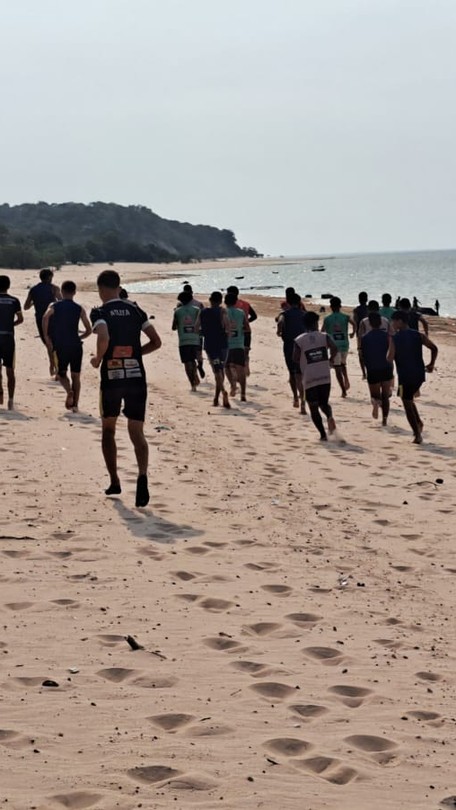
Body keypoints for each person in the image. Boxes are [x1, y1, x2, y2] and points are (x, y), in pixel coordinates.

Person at [90, 270, 161, 506]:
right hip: (136, 377)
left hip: (111, 379)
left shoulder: (100, 311)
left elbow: (104, 337)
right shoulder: (135, 310)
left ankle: (115, 481)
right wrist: (136, 353)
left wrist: (98, 358)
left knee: (108, 429)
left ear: (101, 289)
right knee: (136, 432)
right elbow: (156, 341)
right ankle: (142, 476)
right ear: (119, 287)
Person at [387, 310, 438, 444]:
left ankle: (417, 434)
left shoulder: (395, 338)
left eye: (393, 321)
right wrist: (431, 364)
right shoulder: (418, 335)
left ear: (400, 321)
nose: (392, 323)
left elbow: (389, 358)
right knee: (408, 399)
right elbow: (434, 348)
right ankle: (419, 423)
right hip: (419, 375)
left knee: (406, 403)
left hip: (405, 376)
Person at [42, 281, 92, 412]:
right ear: (74, 292)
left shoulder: (54, 305)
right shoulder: (79, 308)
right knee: (76, 376)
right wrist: (80, 337)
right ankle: (75, 406)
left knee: (61, 373)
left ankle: (69, 391)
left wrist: (46, 336)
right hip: (76, 345)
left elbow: (45, 317)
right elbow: (89, 329)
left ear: (62, 292)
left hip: (61, 345)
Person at [293, 311, 338, 441]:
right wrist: (330, 359)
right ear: (316, 323)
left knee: (313, 407)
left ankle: (323, 435)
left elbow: (295, 358)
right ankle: (329, 417)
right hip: (324, 375)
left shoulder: (299, 340)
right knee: (324, 403)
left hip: (309, 377)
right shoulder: (324, 336)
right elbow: (334, 348)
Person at [23, 268, 62, 375]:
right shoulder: (54, 288)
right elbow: (62, 303)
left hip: (40, 319)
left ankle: (52, 364)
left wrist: (34, 303)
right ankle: (57, 366)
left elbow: (25, 307)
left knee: (48, 343)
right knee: (55, 343)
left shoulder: (34, 289)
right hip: (53, 319)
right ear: (50, 277)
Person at [361, 312, 394, 425]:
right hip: (386, 367)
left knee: (374, 395)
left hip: (372, 368)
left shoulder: (365, 338)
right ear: (381, 323)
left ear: (369, 323)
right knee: (385, 396)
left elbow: (363, 355)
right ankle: (384, 420)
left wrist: (364, 370)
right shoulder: (387, 336)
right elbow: (391, 353)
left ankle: (375, 403)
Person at [276, 292, 307, 413]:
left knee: (292, 373)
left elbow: (280, 321)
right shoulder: (304, 314)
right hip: (303, 346)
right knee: (301, 373)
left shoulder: (284, 314)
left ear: (288, 302)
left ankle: (295, 397)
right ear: (299, 302)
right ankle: (303, 400)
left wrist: (279, 331)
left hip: (289, 345)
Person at [199, 291, 230, 408]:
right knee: (221, 370)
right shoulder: (223, 312)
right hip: (223, 344)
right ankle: (217, 398)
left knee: (216, 371)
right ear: (221, 301)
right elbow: (227, 327)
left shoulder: (203, 312)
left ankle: (222, 393)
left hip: (210, 345)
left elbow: (197, 328)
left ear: (210, 300)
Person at [322, 297, 355, 397]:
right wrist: (353, 333)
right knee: (342, 364)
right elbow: (354, 323)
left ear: (331, 307)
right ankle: (346, 379)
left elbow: (322, 331)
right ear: (340, 306)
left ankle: (343, 390)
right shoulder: (345, 316)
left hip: (334, 347)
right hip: (345, 344)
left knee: (337, 368)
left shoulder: (327, 319)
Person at [0, 275, 23, 410]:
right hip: (8, 337)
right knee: (10, 369)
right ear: (8, 286)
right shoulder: (14, 300)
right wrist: (10, 324)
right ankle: (11, 400)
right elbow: (20, 319)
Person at [172, 291, 201, 391]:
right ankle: (196, 372)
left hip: (183, 341)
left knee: (187, 363)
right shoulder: (197, 310)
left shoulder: (177, 311)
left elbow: (173, 327)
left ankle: (192, 384)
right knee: (193, 361)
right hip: (195, 340)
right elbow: (201, 324)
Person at [224, 291, 250, 401]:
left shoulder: (223, 312)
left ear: (225, 302)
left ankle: (233, 385)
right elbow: (247, 328)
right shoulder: (241, 313)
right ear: (235, 302)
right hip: (239, 344)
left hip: (226, 345)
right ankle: (243, 393)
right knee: (241, 368)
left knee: (227, 367)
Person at [226, 285, 257, 376]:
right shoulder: (246, 304)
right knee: (245, 350)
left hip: (233, 331)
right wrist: (247, 322)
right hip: (246, 331)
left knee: (233, 350)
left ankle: (236, 370)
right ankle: (246, 364)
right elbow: (254, 316)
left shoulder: (228, 307)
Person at [353, 291, 369, 379]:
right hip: (369, 333)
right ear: (366, 299)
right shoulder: (369, 309)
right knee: (369, 353)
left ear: (359, 299)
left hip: (360, 334)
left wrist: (354, 332)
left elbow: (355, 321)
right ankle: (369, 370)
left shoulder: (356, 310)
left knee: (361, 353)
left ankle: (364, 373)